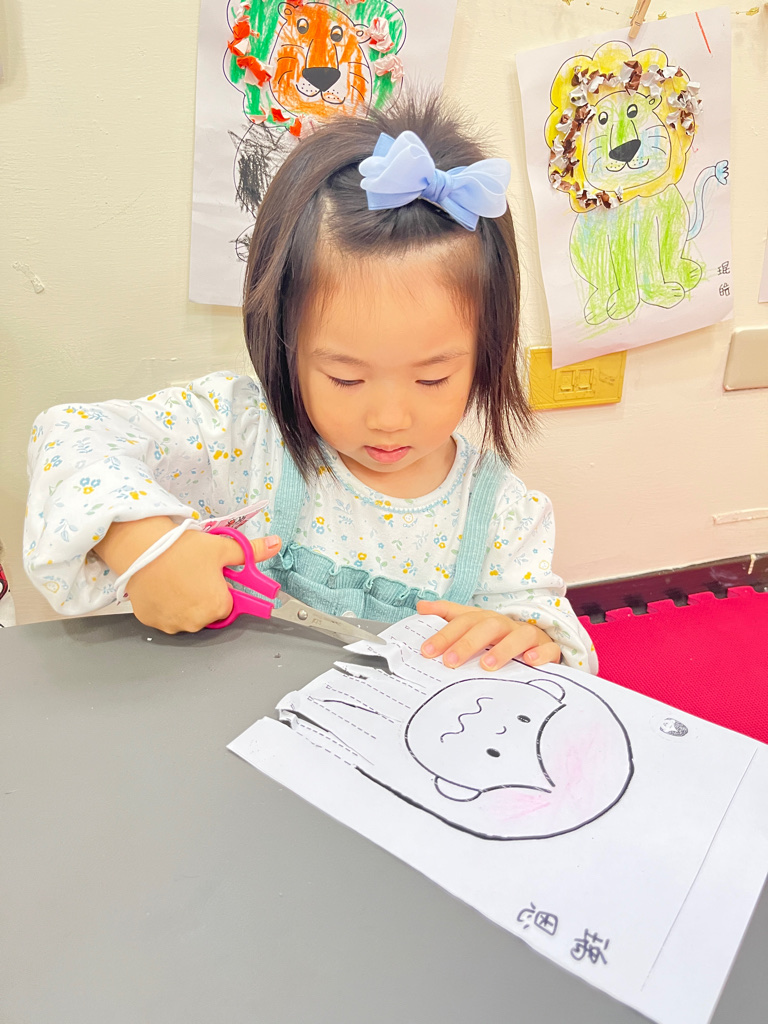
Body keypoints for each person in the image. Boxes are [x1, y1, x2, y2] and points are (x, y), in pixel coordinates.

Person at [24, 96, 596, 674]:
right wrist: (143, 547)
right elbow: (71, 436)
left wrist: (527, 642)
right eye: (346, 378)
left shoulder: (502, 513)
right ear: (284, 340)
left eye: (432, 378)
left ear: (486, 349)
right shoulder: (242, 434)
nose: (389, 418)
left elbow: (557, 646)